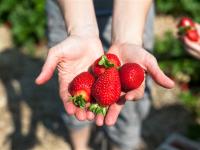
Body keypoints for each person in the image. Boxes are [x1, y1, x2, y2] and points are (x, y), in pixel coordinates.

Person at [35, 0, 174, 150]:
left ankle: (121, 144)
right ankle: (79, 147)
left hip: (134, 12)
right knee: (73, 105)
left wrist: (128, 40)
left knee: (127, 115)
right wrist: (81, 31)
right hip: (67, 9)